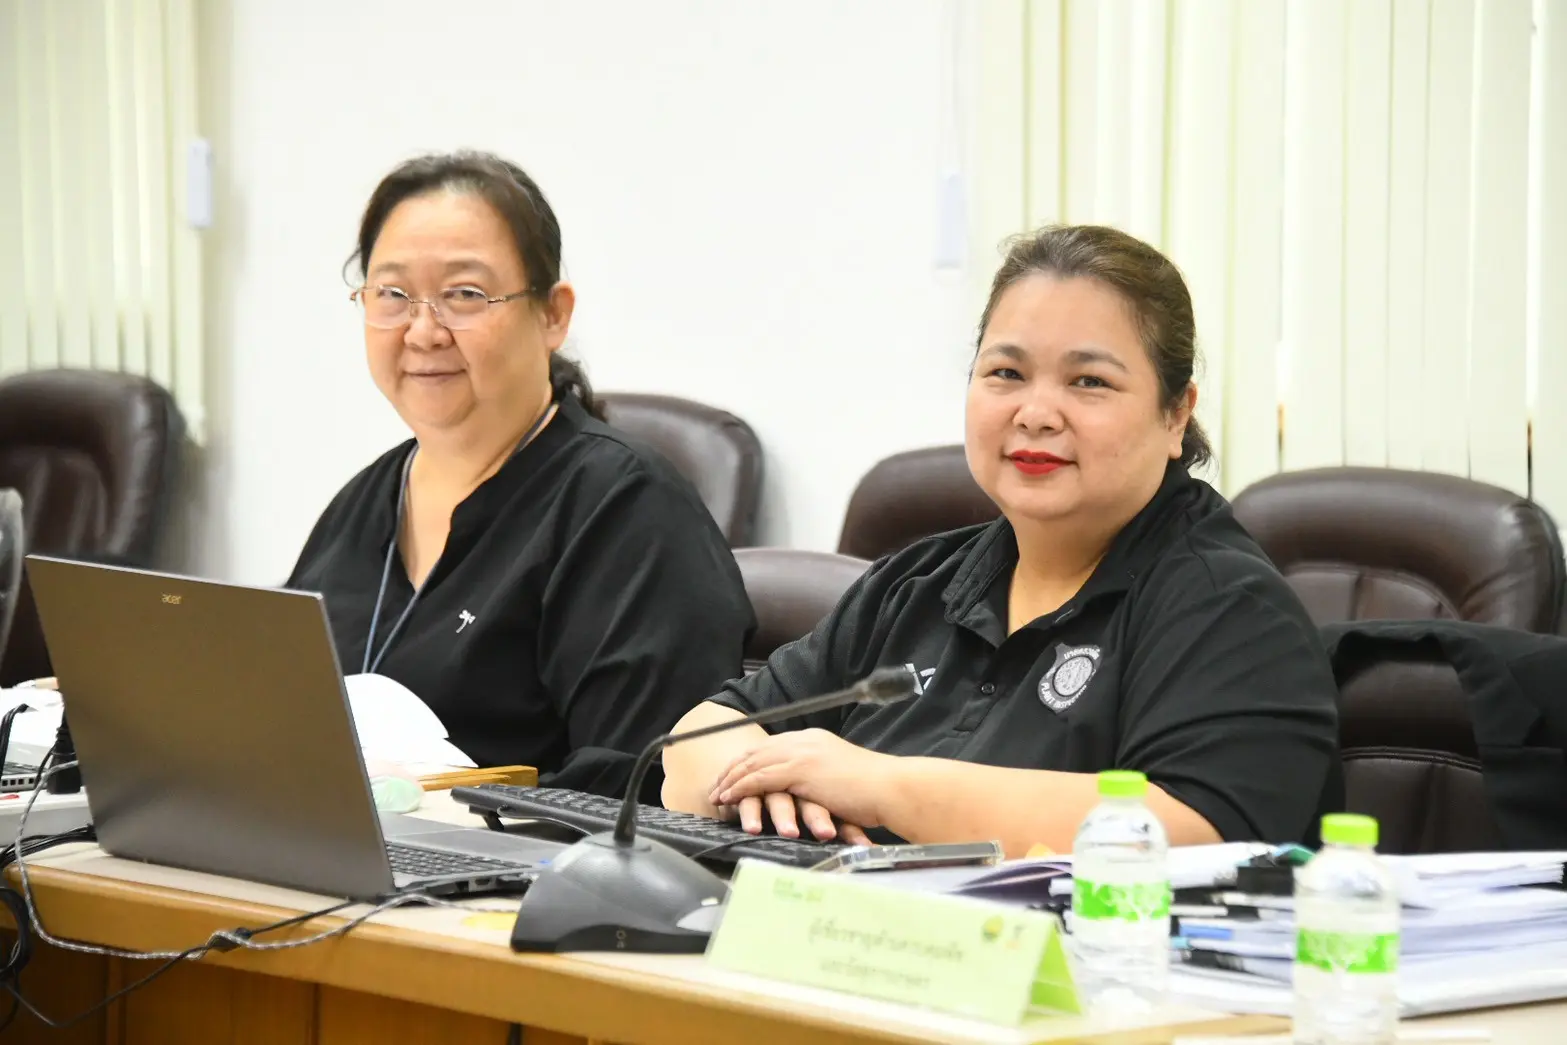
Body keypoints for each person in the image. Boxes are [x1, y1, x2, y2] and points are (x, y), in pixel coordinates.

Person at [662, 224, 1341, 853]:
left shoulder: (1230, 606)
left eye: (1089, 381)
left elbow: (1195, 833)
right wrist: (771, 793)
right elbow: (699, 735)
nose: (1036, 413)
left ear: (1175, 416)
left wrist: (878, 785)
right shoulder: (916, 585)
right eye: (1006, 374)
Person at [287, 150, 755, 801]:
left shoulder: (628, 511)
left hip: (519, 864)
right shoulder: (362, 504)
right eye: (392, 295)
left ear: (553, 314)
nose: (422, 331)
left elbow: (646, 789)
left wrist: (446, 806)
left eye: (464, 295)